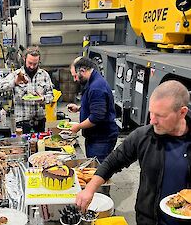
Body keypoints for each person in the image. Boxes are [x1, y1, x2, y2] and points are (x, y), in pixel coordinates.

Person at [76, 80, 191, 225]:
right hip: (148, 220)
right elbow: (112, 162)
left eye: (160, 116)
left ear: (182, 112)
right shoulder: (143, 136)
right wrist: (89, 189)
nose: (153, 121)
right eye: (151, 113)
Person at [68, 56, 118, 162]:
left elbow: (96, 117)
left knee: (97, 172)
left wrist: (78, 127)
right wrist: (79, 109)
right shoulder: (92, 81)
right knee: (93, 167)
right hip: (95, 137)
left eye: (75, 76)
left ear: (82, 70)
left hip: (101, 139)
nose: (75, 79)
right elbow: (96, 106)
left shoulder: (96, 87)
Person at [0, 46, 53, 133]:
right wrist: (14, 82)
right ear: (24, 58)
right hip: (22, 123)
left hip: (40, 122)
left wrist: (43, 99)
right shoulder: (16, 74)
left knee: (40, 145)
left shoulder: (44, 75)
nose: (32, 66)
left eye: (35, 64)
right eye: (30, 63)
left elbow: (51, 96)